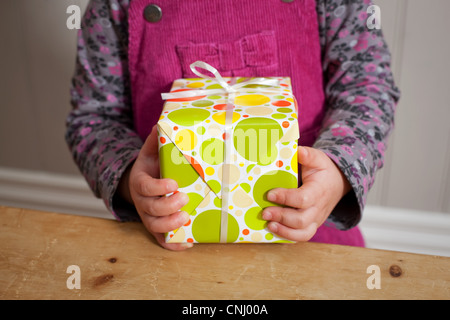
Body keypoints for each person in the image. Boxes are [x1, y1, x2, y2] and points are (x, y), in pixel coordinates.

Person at [66, 0, 400, 251]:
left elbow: (368, 87)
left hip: (311, 237)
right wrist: (130, 181)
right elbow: (93, 119)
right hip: (165, 242)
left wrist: (338, 172)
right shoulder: (114, 6)